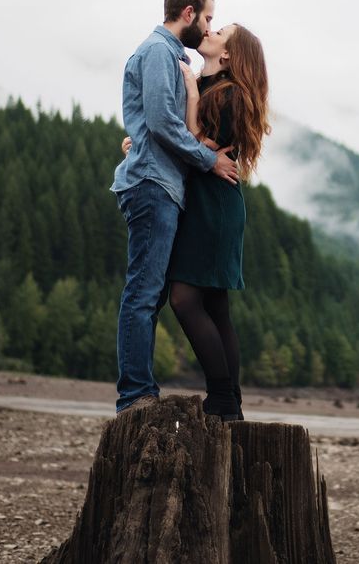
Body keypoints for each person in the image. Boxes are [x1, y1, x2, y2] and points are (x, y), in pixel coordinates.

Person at [122, 22, 270, 421]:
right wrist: (144, 141)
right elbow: (184, 139)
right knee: (215, 307)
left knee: (185, 300)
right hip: (205, 203)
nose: (211, 29)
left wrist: (188, 95)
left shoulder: (228, 95)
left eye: (221, 30)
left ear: (228, 55)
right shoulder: (212, 89)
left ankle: (222, 397)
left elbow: (191, 141)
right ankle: (230, 403)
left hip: (214, 206)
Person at [110, 0, 240, 414]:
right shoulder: (160, 53)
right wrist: (208, 159)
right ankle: (135, 395)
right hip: (153, 185)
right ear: (188, 13)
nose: (207, 26)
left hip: (160, 183)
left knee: (153, 295)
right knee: (145, 294)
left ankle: (145, 391)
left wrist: (139, 142)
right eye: (206, 18)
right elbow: (165, 125)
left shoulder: (172, 57)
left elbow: (156, 125)